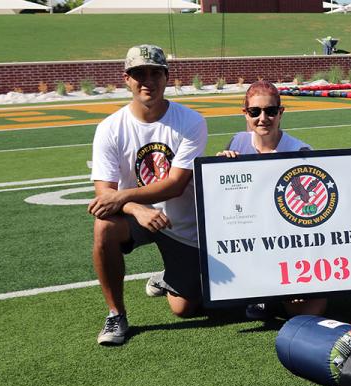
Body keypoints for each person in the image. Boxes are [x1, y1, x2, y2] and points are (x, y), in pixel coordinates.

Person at [89, 44, 208, 345]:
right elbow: (104, 194)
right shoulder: (110, 128)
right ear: (126, 79)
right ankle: (116, 314)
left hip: (181, 225)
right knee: (103, 226)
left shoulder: (191, 121)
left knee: (184, 309)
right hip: (138, 218)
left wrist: (124, 197)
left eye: (156, 73)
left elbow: (176, 184)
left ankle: (167, 278)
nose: (148, 81)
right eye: (139, 73)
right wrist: (138, 208)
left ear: (167, 77)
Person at [216, 80, 327, 319]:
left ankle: (274, 290)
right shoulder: (237, 142)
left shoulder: (300, 152)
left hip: (290, 237)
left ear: (281, 112)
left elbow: (314, 211)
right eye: (255, 112)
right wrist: (219, 168)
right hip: (250, 235)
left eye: (270, 111)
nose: (263, 118)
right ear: (245, 113)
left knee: (303, 313)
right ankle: (261, 291)